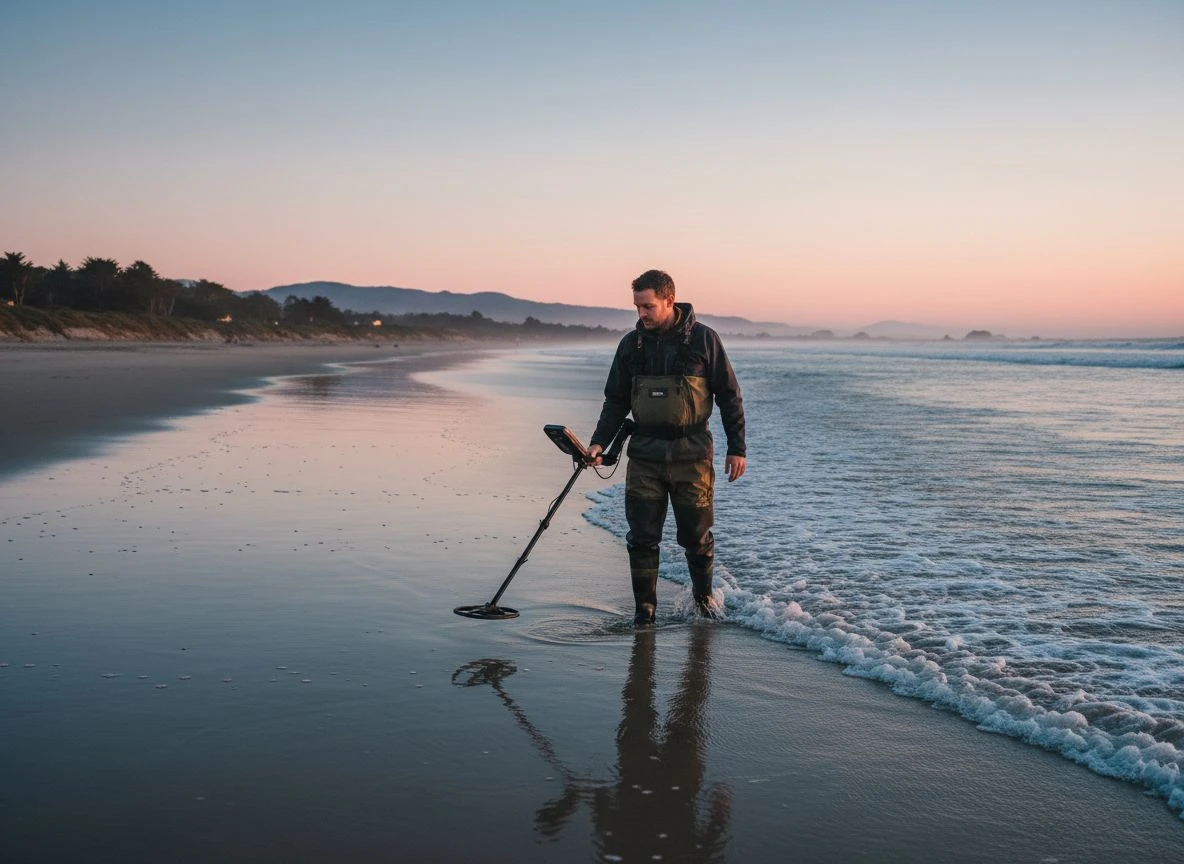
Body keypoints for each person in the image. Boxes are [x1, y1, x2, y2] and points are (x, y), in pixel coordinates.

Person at [587, 270, 746, 625]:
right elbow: (615, 401)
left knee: (695, 535)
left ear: (669, 301)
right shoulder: (631, 345)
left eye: (647, 306)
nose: (641, 314)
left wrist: (737, 448)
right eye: (637, 307)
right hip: (645, 454)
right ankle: (645, 611)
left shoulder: (705, 340)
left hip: (692, 455)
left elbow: (729, 397)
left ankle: (704, 600)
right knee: (642, 537)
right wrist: (599, 441)